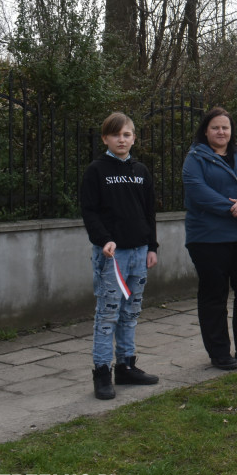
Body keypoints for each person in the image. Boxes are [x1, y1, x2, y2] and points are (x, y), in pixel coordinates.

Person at [182, 107, 237, 370]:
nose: (221, 132)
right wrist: (236, 210)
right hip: (208, 237)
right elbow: (199, 193)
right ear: (205, 131)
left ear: (231, 131)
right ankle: (219, 351)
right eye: (215, 127)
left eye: (225, 127)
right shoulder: (195, 158)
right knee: (214, 295)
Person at [80, 112, 159, 400]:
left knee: (131, 313)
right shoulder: (96, 171)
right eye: (116, 135)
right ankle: (103, 372)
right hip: (112, 256)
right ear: (105, 139)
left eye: (127, 134)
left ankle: (126, 366)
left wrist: (152, 247)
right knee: (108, 314)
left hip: (139, 253)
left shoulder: (141, 171)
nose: (121, 139)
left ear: (134, 138)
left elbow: (149, 212)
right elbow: (89, 211)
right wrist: (104, 240)